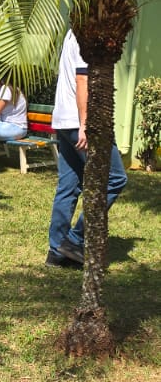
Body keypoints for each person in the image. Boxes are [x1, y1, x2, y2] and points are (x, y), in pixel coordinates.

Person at [46, 27, 127, 268]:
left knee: (68, 186)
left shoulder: (74, 31)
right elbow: (82, 79)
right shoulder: (88, 33)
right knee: (115, 178)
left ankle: (56, 251)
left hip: (64, 120)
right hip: (79, 122)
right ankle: (73, 240)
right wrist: (86, 124)